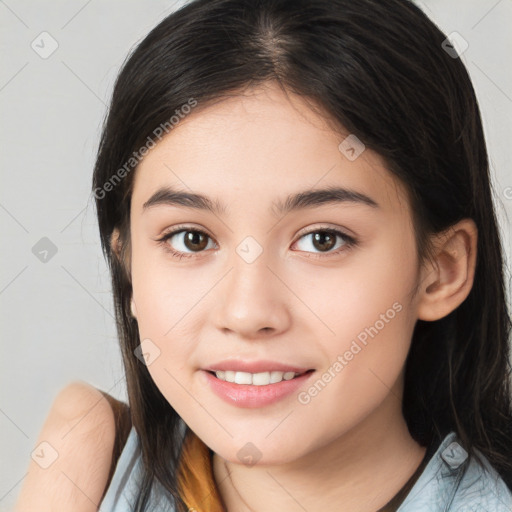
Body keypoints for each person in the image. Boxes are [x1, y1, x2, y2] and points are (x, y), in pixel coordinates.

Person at [15, 0, 512, 510]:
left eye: (323, 239)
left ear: (441, 271)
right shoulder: (86, 476)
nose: (248, 313)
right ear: (129, 270)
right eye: (191, 239)